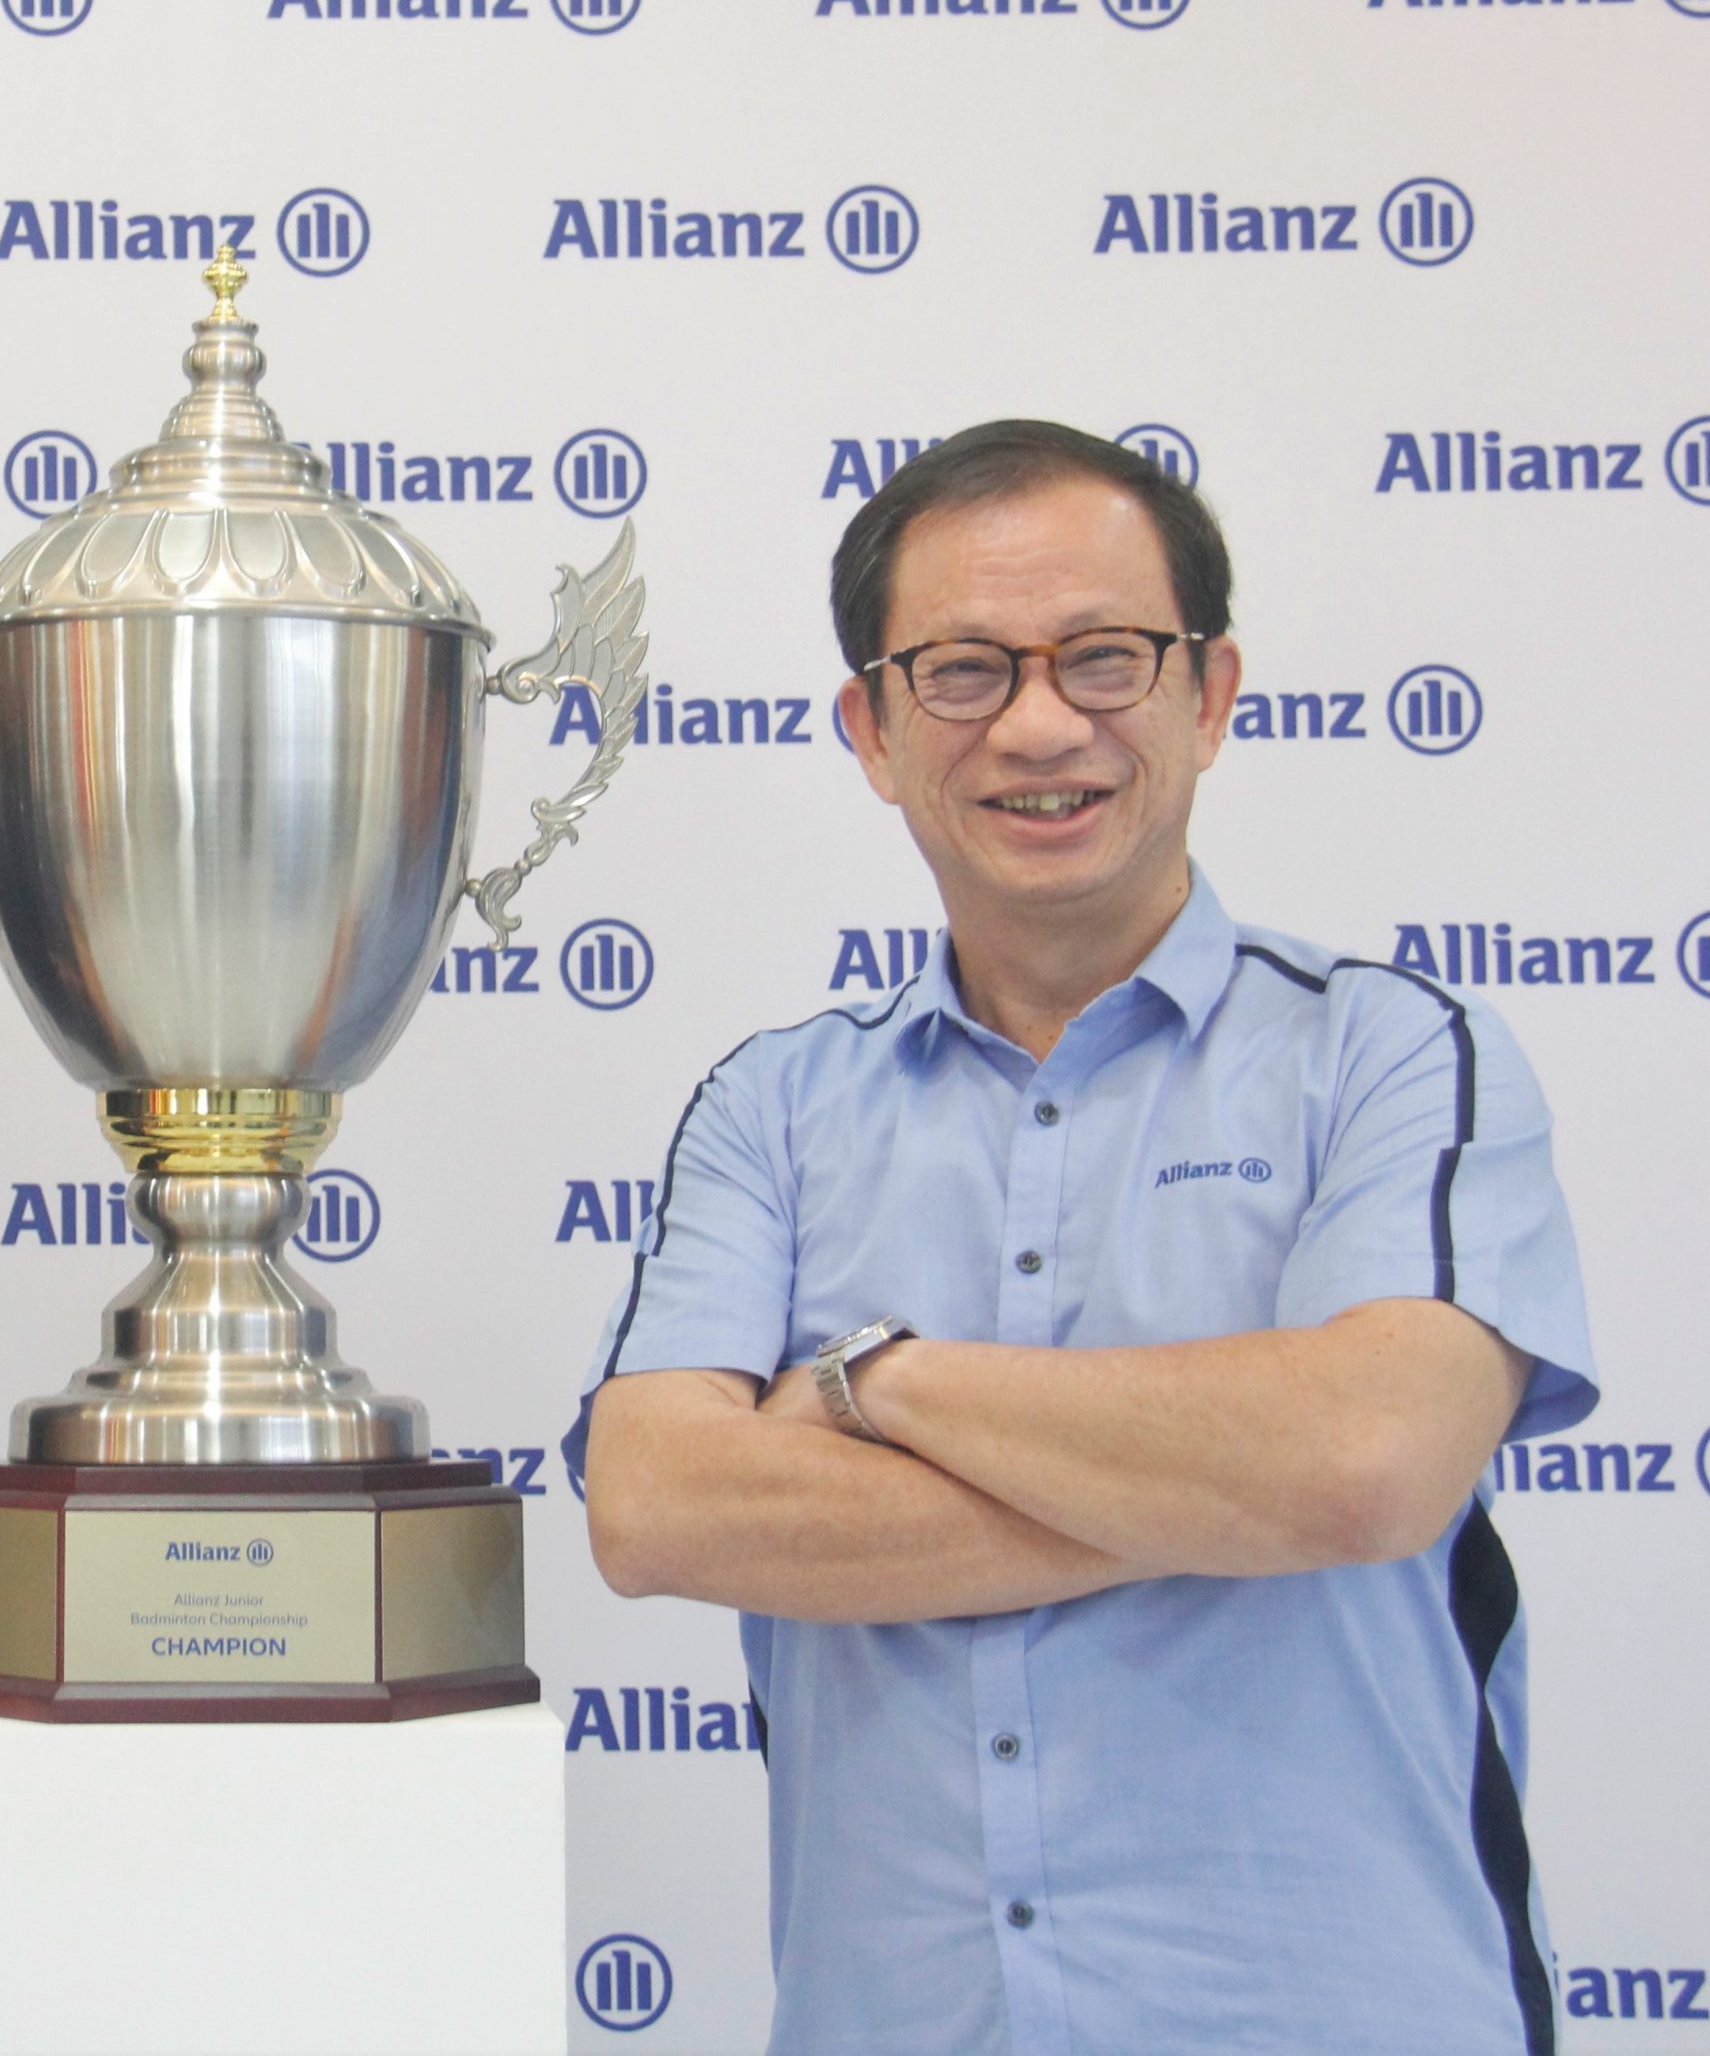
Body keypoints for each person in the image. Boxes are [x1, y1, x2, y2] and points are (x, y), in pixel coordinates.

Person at [573, 420, 1595, 2056]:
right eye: (963, 669)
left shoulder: (1392, 1056)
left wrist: (866, 1378)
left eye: (1105, 658)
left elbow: (1366, 1466)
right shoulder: (770, 1110)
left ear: (1210, 693)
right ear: (874, 729)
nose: (1041, 721)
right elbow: (656, 1503)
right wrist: (1219, 1483)